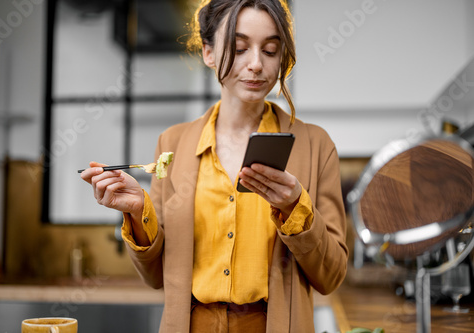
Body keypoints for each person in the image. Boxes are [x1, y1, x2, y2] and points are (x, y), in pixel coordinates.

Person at [80, 0, 348, 332]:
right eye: (238, 48)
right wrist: (138, 213)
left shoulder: (315, 145)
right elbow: (156, 277)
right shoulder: (172, 144)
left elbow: (332, 276)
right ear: (208, 53)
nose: (255, 65)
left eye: (270, 50)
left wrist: (296, 206)